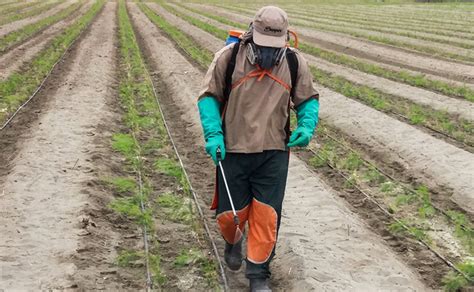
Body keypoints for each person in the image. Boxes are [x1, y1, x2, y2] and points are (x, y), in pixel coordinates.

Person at [197, 5, 319, 292]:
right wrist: (213, 134)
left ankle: (258, 275)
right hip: (233, 150)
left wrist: (306, 125)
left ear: (286, 39)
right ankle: (233, 241)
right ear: (252, 34)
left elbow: (307, 99)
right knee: (231, 216)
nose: (267, 53)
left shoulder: (294, 62)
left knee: (266, 215)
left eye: (274, 46)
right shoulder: (228, 58)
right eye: (263, 46)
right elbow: (208, 97)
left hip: (274, 152)